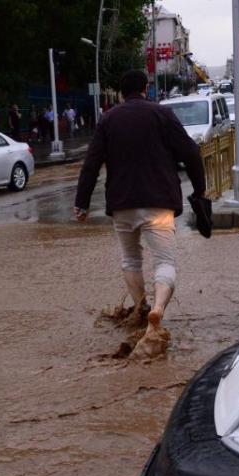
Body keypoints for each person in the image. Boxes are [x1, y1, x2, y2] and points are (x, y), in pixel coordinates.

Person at [74, 69, 207, 358]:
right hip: (159, 203)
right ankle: (157, 311)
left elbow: (91, 163)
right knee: (165, 261)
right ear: (145, 88)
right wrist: (200, 191)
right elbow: (191, 153)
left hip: (122, 205)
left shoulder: (108, 120)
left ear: (121, 93)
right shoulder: (162, 115)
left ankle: (141, 307)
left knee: (130, 259)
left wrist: (81, 203)